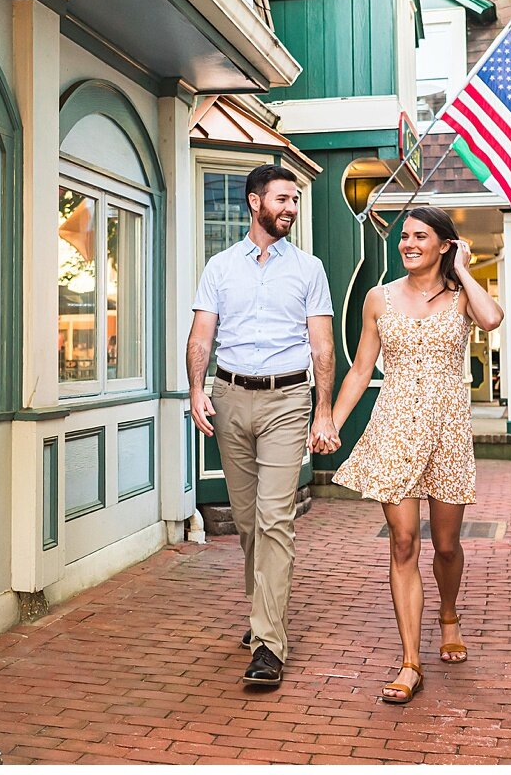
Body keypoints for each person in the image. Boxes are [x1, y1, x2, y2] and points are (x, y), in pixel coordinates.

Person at [330, 206, 504, 704]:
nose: (407, 243)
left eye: (420, 236)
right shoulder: (378, 299)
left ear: (444, 244)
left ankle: (449, 614)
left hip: (448, 432)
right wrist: (332, 425)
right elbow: (362, 369)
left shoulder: (461, 298)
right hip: (395, 429)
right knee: (403, 543)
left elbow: (492, 319)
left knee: (446, 545)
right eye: (403, 236)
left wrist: (465, 271)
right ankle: (410, 662)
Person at [187, 164, 339, 689]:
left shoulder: (309, 269)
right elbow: (202, 334)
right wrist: (195, 388)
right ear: (256, 203)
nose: (291, 208)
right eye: (282, 199)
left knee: (276, 518)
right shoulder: (220, 267)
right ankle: (262, 615)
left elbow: (322, 344)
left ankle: (270, 644)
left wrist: (324, 410)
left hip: (287, 399)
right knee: (248, 519)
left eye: (294, 200)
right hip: (229, 395)